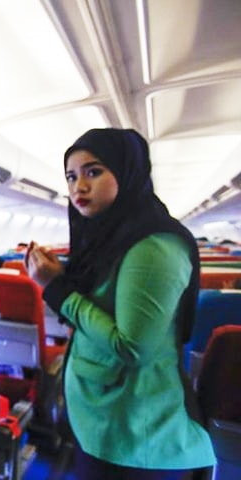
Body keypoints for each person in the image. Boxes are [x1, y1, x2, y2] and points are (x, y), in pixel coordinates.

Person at [24, 128, 215, 479]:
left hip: (137, 438)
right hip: (101, 421)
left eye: (93, 172)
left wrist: (57, 287)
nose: (78, 187)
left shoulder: (154, 246)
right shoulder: (106, 240)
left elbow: (131, 347)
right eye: (71, 177)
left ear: (127, 173)